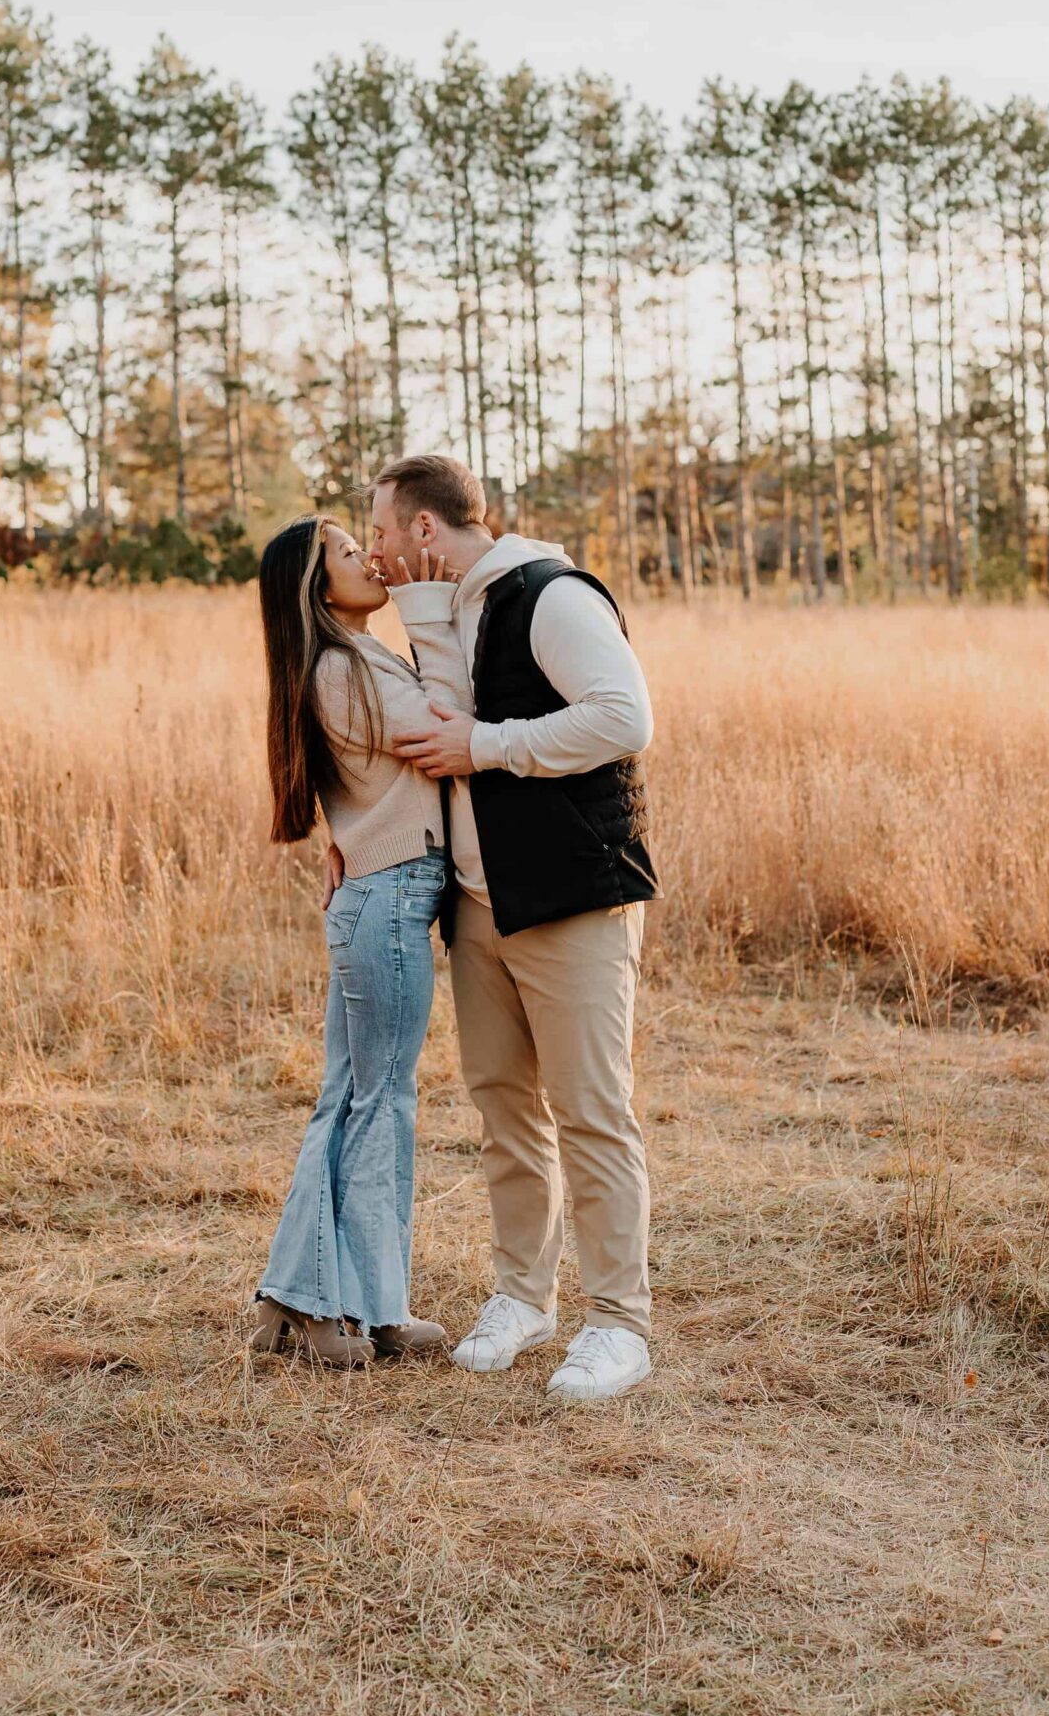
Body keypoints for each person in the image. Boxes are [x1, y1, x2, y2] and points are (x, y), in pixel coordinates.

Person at [373, 454, 658, 1403]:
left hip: (572, 898)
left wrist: (488, 747)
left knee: (592, 1113)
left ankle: (620, 1325)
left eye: (382, 528)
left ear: (424, 529)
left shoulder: (549, 594)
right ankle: (522, 1295)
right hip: (480, 904)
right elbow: (442, 719)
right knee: (505, 1109)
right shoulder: (450, 609)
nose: (373, 548)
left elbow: (625, 718)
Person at [247, 515, 464, 1367]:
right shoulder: (342, 667)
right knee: (380, 1102)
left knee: (353, 1099)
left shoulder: (352, 657)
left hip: (377, 891)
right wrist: (424, 596)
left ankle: (302, 1299)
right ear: (316, 587)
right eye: (346, 552)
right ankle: (352, 1308)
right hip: (391, 893)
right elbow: (443, 724)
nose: (366, 558)